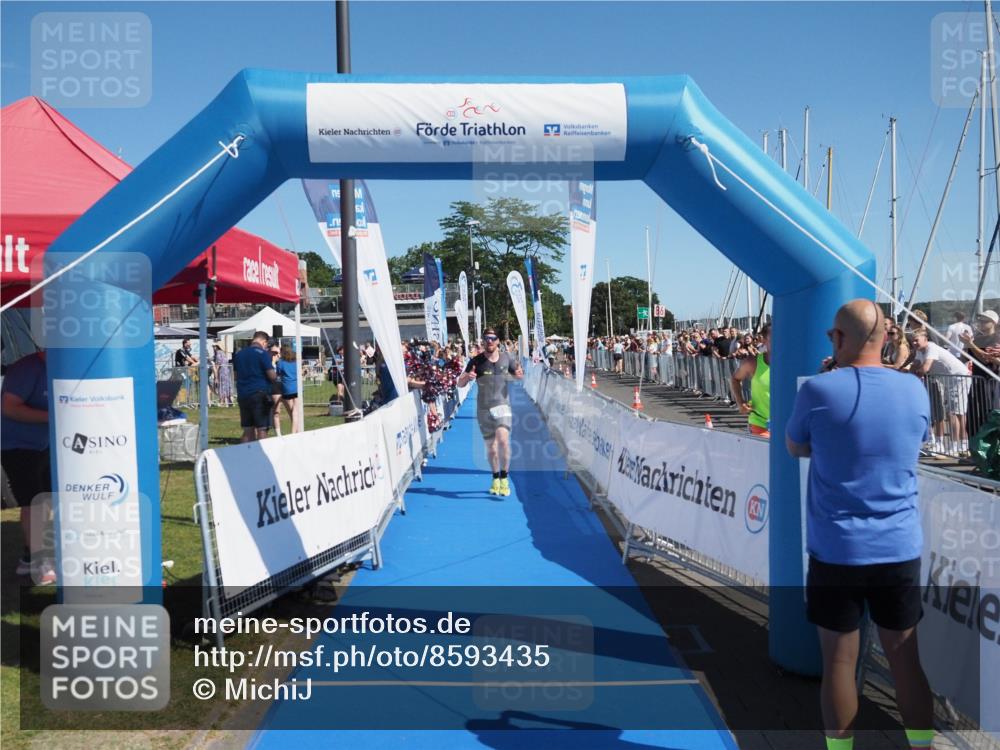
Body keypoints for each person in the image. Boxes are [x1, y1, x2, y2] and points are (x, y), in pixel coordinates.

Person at [786, 299, 934, 750]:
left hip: (838, 548)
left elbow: (795, 447)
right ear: (886, 337)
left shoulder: (818, 390)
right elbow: (916, 440)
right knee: (905, 659)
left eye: (832, 334)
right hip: (898, 546)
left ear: (840, 338)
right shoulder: (914, 389)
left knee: (838, 663)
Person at [0, 350, 56, 584]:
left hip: (43, 445)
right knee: (33, 503)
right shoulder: (27, 369)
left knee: (46, 500)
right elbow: (9, 408)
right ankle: (38, 563)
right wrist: (52, 415)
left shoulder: (57, 367)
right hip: (17, 446)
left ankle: (29, 558)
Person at [456, 328, 524, 496]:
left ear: (498, 341)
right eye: (487, 338)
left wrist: (518, 375)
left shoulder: (507, 358)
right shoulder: (476, 361)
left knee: (503, 441)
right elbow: (460, 384)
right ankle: (495, 478)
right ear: (483, 340)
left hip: (502, 405)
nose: (490, 341)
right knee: (491, 448)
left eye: (493, 338)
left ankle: (504, 477)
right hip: (483, 408)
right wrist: (467, 378)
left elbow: (518, 375)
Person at [911, 329, 970, 455]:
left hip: (958, 378)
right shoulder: (919, 351)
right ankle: (962, 445)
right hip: (948, 381)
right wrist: (910, 371)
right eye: (913, 341)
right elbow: (915, 365)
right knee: (956, 412)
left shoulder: (931, 348)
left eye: (916, 340)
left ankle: (956, 446)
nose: (914, 343)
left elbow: (925, 368)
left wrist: (914, 373)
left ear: (926, 339)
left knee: (955, 413)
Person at [960, 309, 1000, 441]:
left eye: (985, 321)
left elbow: (986, 359)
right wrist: (966, 345)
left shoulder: (996, 338)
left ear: (993, 323)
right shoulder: (977, 339)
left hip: (990, 381)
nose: (981, 323)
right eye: (980, 320)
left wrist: (970, 344)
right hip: (977, 381)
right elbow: (964, 358)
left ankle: (990, 444)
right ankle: (974, 444)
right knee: (972, 415)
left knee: (989, 413)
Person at [233, 331, 278, 443]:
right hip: (259, 394)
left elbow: (235, 376)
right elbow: (272, 376)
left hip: (243, 394)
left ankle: (245, 452)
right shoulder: (262, 354)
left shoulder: (239, 354)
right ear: (264, 342)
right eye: (266, 345)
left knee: (248, 430)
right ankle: (262, 451)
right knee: (262, 429)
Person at [729, 323, 771, 438]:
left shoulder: (793, 363)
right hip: (761, 423)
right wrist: (740, 402)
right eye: (773, 337)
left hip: (787, 423)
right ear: (764, 341)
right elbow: (735, 379)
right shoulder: (753, 363)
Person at [275, 345, 302, 434]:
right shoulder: (296, 362)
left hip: (287, 388)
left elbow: (278, 374)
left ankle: (295, 431)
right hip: (297, 387)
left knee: (292, 411)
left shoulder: (280, 363)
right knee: (295, 411)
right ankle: (294, 432)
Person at [174, 338, 198, 407]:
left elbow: (192, 357)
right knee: (184, 384)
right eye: (189, 343)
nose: (190, 345)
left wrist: (198, 360)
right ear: (185, 344)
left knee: (187, 383)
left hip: (184, 370)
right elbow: (188, 358)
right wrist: (195, 363)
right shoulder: (180, 351)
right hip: (179, 371)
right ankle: (181, 402)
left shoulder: (186, 351)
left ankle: (184, 401)